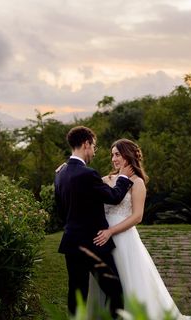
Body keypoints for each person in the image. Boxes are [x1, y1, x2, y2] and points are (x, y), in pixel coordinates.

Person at [90, 138, 191, 320]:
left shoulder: (137, 183)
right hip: (102, 241)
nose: (114, 159)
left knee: (130, 281)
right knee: (107, 282)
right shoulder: (107, 179)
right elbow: (86, 187)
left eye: (118, 154)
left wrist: (111, 232)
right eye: (112, 155)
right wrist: (66, 170)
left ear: (128, 156)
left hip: (123, 240)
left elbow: (137, 216)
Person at [55, 126, 135, 318]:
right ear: (86, 144)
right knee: (115, 291)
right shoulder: (88, 174)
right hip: (94, 243)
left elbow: (61, 210)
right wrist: (123, 177)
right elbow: (114, 197)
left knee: (77, 293)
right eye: (94, 147)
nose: (94, 151)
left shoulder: (60, 173)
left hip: (71, 242)